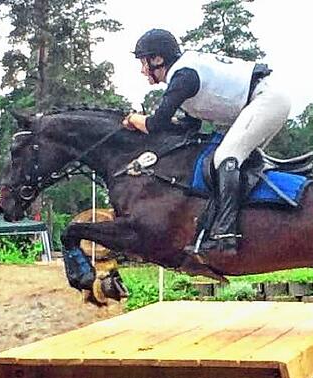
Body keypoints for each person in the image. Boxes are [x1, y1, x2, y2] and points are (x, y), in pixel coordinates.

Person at [122, 29, 291, 255]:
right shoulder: (184, 74)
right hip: (263, 102)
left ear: (158, 59)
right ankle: (248, 225)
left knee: (225, 158)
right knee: (236, 164)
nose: (143, 71)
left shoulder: (183, 76)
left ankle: (225, 234)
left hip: (266, 100)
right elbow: (189, 126)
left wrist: (134, 118)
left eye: (144, 62)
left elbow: (156, 125)